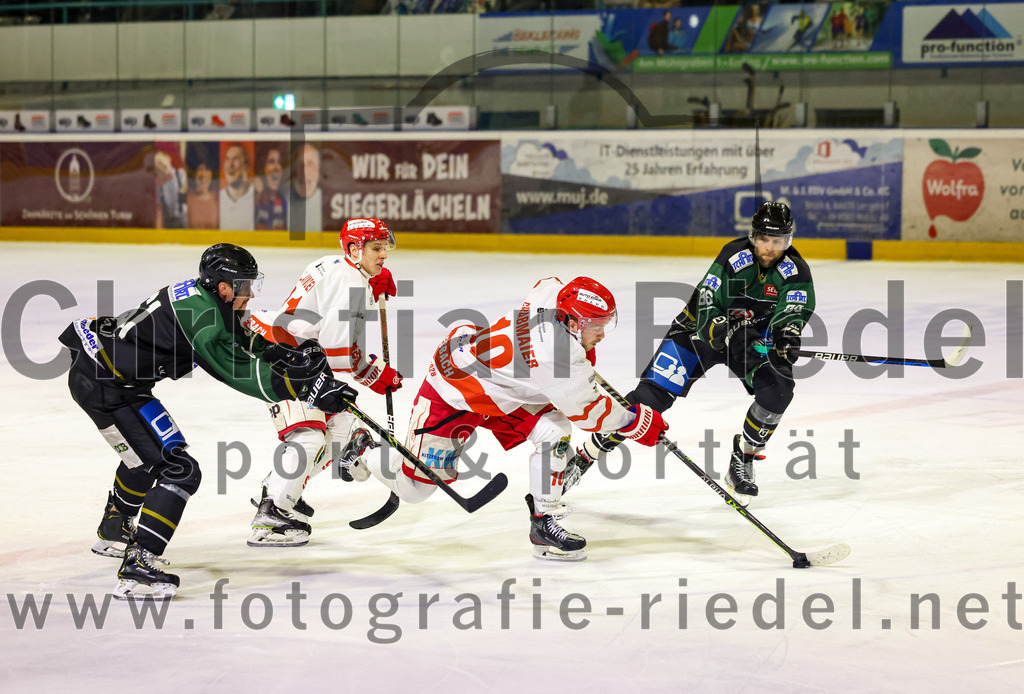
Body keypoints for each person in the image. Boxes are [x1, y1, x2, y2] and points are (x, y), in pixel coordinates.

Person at [58, 244, 358, 599]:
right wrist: (306, 388)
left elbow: (241, 339)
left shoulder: (207, 298)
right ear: (223, 285)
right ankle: (139, 566)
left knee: (147, 455)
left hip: (114, 376)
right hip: (106, 384)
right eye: (243, 285)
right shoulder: (203, 318)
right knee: (179, 470)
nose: (249, 294)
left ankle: (113, 529)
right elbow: (239, 373)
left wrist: (284, 353)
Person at [363, 276, 668, 561]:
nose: (602, 333)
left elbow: (548, 282)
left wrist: (581, 351)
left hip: (499, 389)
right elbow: (590, 413)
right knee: (415, 490)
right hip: (452, 389)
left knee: (554, 430)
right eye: (595, 326)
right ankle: (360, 449)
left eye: (605, 323)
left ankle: (543, 525)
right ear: (573, 322)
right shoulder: (556, 357)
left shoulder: (552, 300)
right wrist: (634, 422)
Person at [566, 202, 815, 507]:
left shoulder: (795, 270)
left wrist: (786, 335)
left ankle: (743, 457)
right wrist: (718, 326)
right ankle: (584, 456)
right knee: (648, 400)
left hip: (748, 341)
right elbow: (708, 298)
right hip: (698, 332)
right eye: (764, 238)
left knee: (778, 389)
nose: (769, 247)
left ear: (788, 240)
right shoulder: (735, 257)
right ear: (753, 235)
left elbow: (793, 309)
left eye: (777, 241)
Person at [245, 217, 402, 546]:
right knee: (309, 438)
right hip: (286, 359)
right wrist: (376, 373)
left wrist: (370, 284)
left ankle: (278, 485)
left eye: (384, 248)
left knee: (340, 433)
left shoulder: (335, 264)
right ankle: (272, 513)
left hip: (296, 354)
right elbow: (339, 354)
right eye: (376, 248)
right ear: (354, 249)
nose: (384, 255)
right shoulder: (352, 287)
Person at [219, 142, 255, 230]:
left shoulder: (257, 196)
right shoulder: (218, 198)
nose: (230, 165)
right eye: (227, 159)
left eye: (236, 159)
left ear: (246, 166)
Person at [254, 143, 287, 230]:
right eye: (271, 161)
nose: (277, 167)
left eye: (279, 162)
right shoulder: (254, 197)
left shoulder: (285, 199)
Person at [290, 143, 322, 232]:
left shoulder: (328, 203)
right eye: (300, 164)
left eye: (310, 164)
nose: (304, 171)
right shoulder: (282, 200)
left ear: (318, 170)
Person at [154, 148, 187, 229]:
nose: (160, 165)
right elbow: (159, 208)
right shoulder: (158, 184)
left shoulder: (181, 174)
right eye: (157, 164)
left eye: (161, 161)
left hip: (183, 219)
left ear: (168, 159)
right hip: (168, 221)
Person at [186, 150, 219, 230]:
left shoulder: (218, 198)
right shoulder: (188, 199)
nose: (203, 175)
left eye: (207, 170)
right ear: (195, 175)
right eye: (200, 170)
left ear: (211, 175)